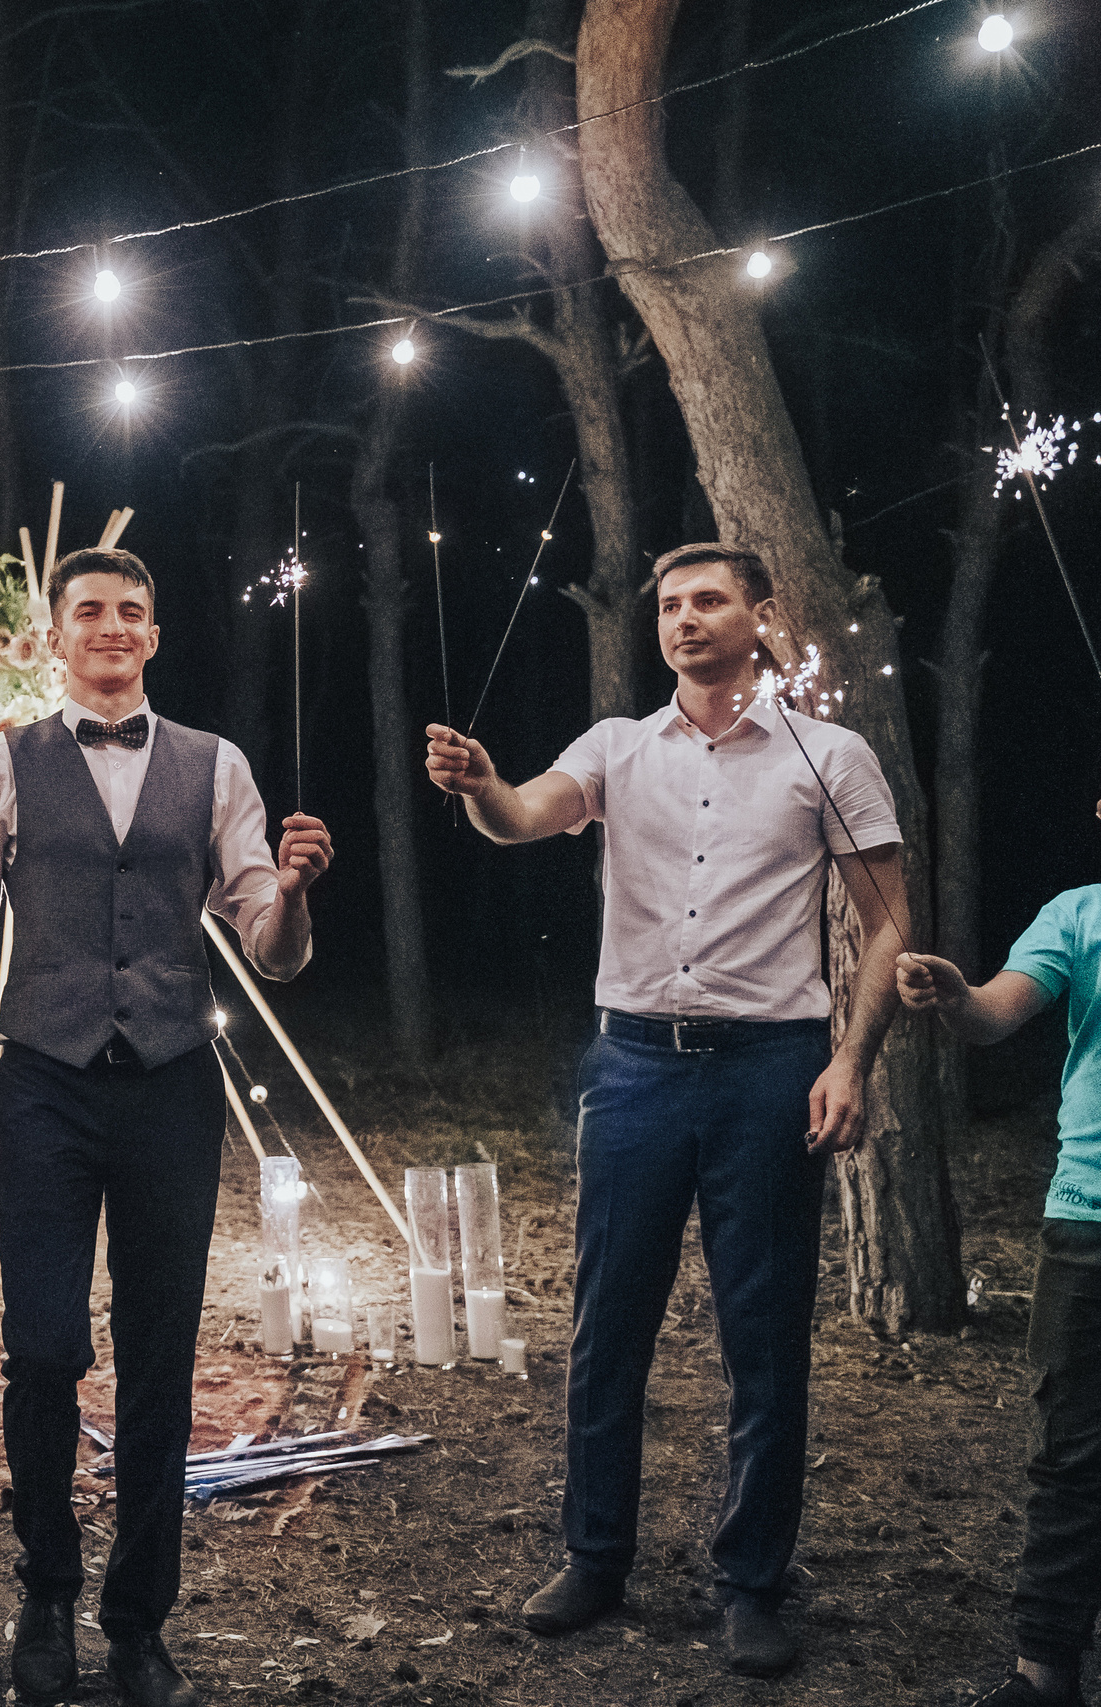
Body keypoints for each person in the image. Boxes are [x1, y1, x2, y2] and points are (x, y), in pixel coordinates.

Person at [424, 541, 908, 1678]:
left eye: (706, 600)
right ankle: (594, 1558)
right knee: (608, 1323)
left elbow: (887, 920)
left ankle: (750, 1583)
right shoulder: (616, 748)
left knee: (763, 1333)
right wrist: (484, 786)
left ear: (759, 613)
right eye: (669, 605)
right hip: (634, 1064)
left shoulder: (828, 754)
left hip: (769, 1067)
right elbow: (521, 818)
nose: (683, 619)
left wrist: (851, 1057)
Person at [0, 547, 331, 1707]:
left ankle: (138, 1623)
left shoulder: (214, 764)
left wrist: (288, 892)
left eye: (129, 610)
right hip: (39, 1082)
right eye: (87, 610)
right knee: (43, 1348)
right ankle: (45, 1591)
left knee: (159, 1359)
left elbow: (271, 950)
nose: (109, 626)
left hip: (171, 1086)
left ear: (153, 634)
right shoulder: (8, 760)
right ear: (54, 636)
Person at [896, 842, 1101, 1707]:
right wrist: (956, 997)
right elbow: (995, 1013)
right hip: (1088, 1219)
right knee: (1069, 1457)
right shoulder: (1077, 913)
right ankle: (1042, 1678)